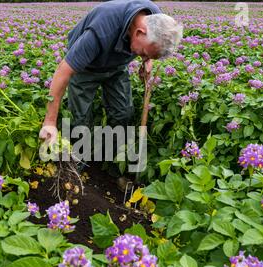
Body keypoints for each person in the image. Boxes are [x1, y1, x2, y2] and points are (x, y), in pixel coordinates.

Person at [39, 0, 183, 190]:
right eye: (143, 52)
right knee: (81, 117)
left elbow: (152, 45)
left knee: (123, 113)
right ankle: (77, 166)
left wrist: (148, 60)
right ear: (139, 33)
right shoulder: (100, 31)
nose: (142, 55)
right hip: (86, 68)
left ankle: (113, 164)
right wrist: (49, 121)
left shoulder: (154, 17)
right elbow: (62, 73)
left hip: (116, 67)